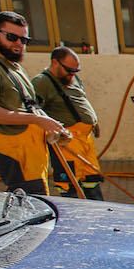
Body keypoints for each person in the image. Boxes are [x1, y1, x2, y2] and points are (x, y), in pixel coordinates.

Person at [0, 11, 68, 195]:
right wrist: (37, 121)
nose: (18, 44)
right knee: (30, 209)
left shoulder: (14, 67)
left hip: (32, 152)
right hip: (16, 152)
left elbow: (30, 105)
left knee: (39, 202)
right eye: (12, 37)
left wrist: (51, 126)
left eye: (24, 40)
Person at [32, 47, 104, 200]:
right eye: (69, 70)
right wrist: (54, 132)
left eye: (75, 71)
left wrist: (93, 122)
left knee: (92, 177)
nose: (72, 74)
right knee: (70, 182)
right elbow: (33, 111)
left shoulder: (72, 78)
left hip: (85, 140)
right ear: (55, 63)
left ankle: (98, 213)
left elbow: (80, 100)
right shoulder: (42, 82)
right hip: (67, 142)